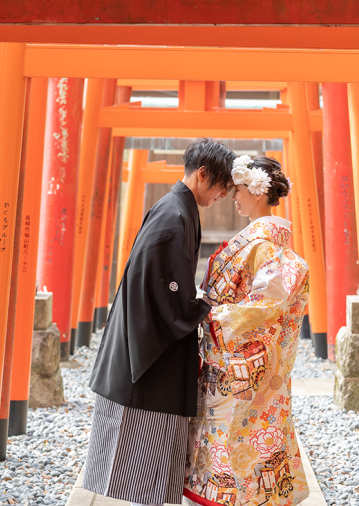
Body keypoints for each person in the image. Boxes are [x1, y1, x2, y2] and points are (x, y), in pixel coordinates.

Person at [84, 139, 238, 506]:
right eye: (221, 187)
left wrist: (192, 304)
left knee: (142, 462)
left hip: (144, 342)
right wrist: (199, 308)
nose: (222, 195)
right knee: (142, 461)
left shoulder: (175, 210)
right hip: (149, 358)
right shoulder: (173, 216)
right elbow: (165, 291)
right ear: (203, 174)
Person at [184, 156, 310, 506]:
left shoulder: (265, 243)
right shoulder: (260, 240)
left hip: (241, 361)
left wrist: (212, 315)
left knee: (241, 438)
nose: (233, 196)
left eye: (237, 190)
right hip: (232, 357)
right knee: (235, 437)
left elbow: (266, 304)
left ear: (257, 191)